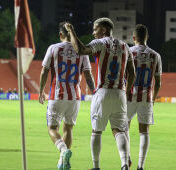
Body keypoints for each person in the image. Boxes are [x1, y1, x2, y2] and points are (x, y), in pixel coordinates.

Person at [65, 18, 136, 170]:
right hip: (120, 94)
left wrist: (71, 31)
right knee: (119, 130)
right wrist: (127, 91)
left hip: (103, 91)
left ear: (103, 30)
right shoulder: (125, 47)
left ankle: (96, 167)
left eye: (95, 29)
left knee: (96, 131)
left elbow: (81, 50)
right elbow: (132, 74)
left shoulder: (100, 43)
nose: (93, 32)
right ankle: (124, 164)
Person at [39, 22, 95, 170]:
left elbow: (44, 71)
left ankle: (63, 151)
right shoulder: (81, 51)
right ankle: (62, 162)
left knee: (52, 128)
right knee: (68, 128)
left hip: (57, 95)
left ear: (60, 35)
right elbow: (88, 74)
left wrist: (40, 91)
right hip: (74, 97)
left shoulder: (53, 48)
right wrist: (94, 92)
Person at [126, 24, 162, 170]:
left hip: (128, 96)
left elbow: (123, 75)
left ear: (133, 38)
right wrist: (153, 99)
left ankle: (126, 158)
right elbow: (158, 82)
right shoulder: (155, 55)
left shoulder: (128, 52)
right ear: (147, 37)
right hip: (146, 97)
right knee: (144, 131)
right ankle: (140, 166)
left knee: (124, 128)